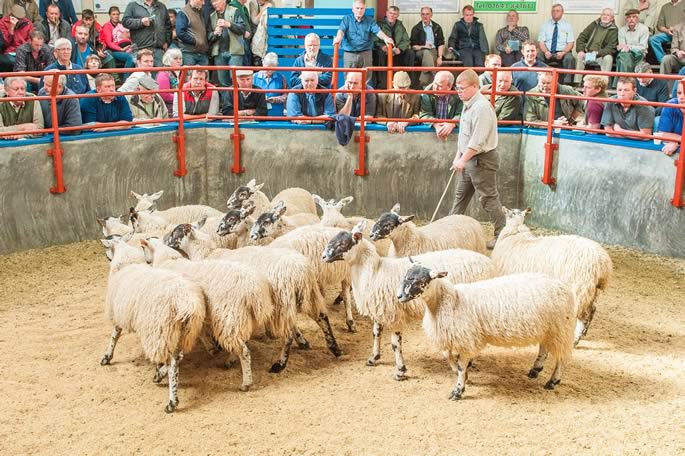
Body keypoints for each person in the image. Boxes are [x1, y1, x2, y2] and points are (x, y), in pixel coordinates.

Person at [448, 69, 505, 249]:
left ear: (474, 86)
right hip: (470, 158)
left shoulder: (481, 107)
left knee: (488, 198)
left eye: (462, 88)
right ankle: (448, 231)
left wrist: (462, 159)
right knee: (461, 196)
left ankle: (502, 235)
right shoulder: (468, 104)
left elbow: (478, 140)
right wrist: (458, 157)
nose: (459, 91)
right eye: (457, 88)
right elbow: (465, 136)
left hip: (481, 159)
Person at [332, 0, 394, 82]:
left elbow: (378, 31)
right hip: (350, 53)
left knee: (366, 79)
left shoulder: (370, 20)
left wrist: (386, 38)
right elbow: (341, 30)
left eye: (362, 8)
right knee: (349, 79)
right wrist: (338, 38)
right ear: (353, 9)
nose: (359, 10)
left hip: (365, 53)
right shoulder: (347, 19)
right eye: (357, 8)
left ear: (365, 9)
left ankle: (365, 91)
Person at [574, 8, 618, 85]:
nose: (605, 16)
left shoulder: (614, 29)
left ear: (612, 18)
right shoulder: (594, 25)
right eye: (603, 14)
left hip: (601, 56)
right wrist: (581, 50)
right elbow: (581, 37)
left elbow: (611, 47)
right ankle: (577, 84)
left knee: (608, 58)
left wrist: (598, 53)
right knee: (579, 56)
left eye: (608, 15)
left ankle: (604, 84)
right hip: (588, 54)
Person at [208, 0, 247, 87]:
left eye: (216, 1)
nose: (214, 4)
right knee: (223, 82)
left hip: (235, 52)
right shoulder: (212, 16)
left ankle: (235, 97)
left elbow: (242, 29)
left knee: (235, 80)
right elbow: (208, 37)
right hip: (219, 53)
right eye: (212, 2)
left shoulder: (235, 11)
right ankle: (226, 97)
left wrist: (229, 24)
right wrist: (214, 33)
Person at [122, 0, 172, 67]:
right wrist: (141, 22)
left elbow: (168, 26)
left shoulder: (161, 6)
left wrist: (167, 42)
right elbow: (125, 22)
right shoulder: (133, 5)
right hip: (140, 49)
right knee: (143, 73)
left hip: (158, 50)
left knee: (159, 73)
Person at [373, 5, 412, 89]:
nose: (392, 15)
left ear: (398, 15)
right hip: (384, 51)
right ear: (386, 13)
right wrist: (382, 47)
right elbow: (374, 40)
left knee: (410, 53)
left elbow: (406, 40)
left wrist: (400, 49)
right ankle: (383, 84)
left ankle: (406, 82)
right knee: (379, 54)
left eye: (394, 14)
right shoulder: (379, 25)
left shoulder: (400, 25)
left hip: (396, 51)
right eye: (390, 13)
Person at [538, 3, 576, 84]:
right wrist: (545, 52)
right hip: (548, 51)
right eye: (553, 11)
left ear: (562, 12)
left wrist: (563, 52)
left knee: (570, 58)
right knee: (538, 56)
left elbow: (570, 43)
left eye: (557, 11)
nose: (555, 12)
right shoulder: (545, 25)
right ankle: (540, 80)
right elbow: (541, 42)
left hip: (562, 52)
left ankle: (567, 83)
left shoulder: (567, 25)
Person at [410, 6, 446, 88]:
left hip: (433, 51)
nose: (425, 16)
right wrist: (424, 46)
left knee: (430, 56)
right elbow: (413, 46)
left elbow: (441, 43)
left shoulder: (437, 27)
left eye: (427, 14)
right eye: (423, 14)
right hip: (420, 52)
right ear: (420, 15)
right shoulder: (416, 28)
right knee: (426, 52)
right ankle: (435, 77)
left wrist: (440, 57)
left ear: (431, 15)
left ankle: (424, 84)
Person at [419, 70, 462, 139]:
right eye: (434, 83)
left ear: (449, 87)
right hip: (432, 133)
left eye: (440, 86)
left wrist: (452, 123)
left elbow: (461, 114)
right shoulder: (426, 93)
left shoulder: (459, 95)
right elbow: (425, 114)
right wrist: (435, 124)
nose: (435, 88)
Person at [38, 70, 82, 134]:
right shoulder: (42, 92)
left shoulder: (71, 98)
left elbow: (75, 127)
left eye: (48, 85)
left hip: (62, 136)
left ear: (59, 87)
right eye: (44, 83)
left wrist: (51, 131)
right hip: (45, 133)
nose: (44, 87)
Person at [99, 6, 136, 75]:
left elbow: (130, 36)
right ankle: (126, 79)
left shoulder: (122, 24)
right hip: (114, 51)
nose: (116, 16)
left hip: (128, 47)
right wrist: (121, 49)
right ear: (110, 15)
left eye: (117, 14)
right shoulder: (107, 26)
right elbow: (109, 43)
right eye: (113, 14)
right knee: (130, 57)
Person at [0, 5, 35, 71]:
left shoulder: (28, 23)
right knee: (12, 62)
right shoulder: (3, 22)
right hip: (9, 52)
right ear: (12, 16)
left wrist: (23, 48)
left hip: (24, 51)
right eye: (18, 18)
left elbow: (30, 40)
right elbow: (4, 43)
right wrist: (11, 28)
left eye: (21, 19)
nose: (20, 21)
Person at [656, 77, 685, 156]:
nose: (681, 97)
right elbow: (662, 134)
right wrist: (677, 141)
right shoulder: (670, 105)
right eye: (679, 93)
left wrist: (678, 141)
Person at [616, 8, 649, 76]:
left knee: (624, 58)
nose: (631, 19)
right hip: (626, 54)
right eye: (629, 17)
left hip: (639, 54)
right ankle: (627, 78)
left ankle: (624, 78)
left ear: (638, 18)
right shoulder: (622, 30)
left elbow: (642, 47)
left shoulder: (644, 29)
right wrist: (627, 48)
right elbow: (622, 48)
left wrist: (629, 47)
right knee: (625, 56)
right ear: (626, 19)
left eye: (634, 17)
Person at [252, 52, 286, 117]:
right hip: (259, 114)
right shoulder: (254, 77)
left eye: (273, 68)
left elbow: (286, 95)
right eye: (267, 67)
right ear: (263, 64)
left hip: (276, 114)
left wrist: (275, 99)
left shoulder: (281, 78)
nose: (270, 70)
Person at [176, 0, 208, 65]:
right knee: (190, 72)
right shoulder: (183, 12)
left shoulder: (201, 12)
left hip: (202, 52)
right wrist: (195, 41)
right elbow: (180, 33)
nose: (203, 3)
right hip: (189, 53)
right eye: (201, 0)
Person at [156, 47, 182, 114]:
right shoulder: (163, 74)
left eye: (180, 58)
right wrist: (181, 97)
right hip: (168, 109)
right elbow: (164, 95)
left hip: (179, 106)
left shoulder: (180, 72)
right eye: (175, 58)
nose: (179, 61)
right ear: (168, 60)